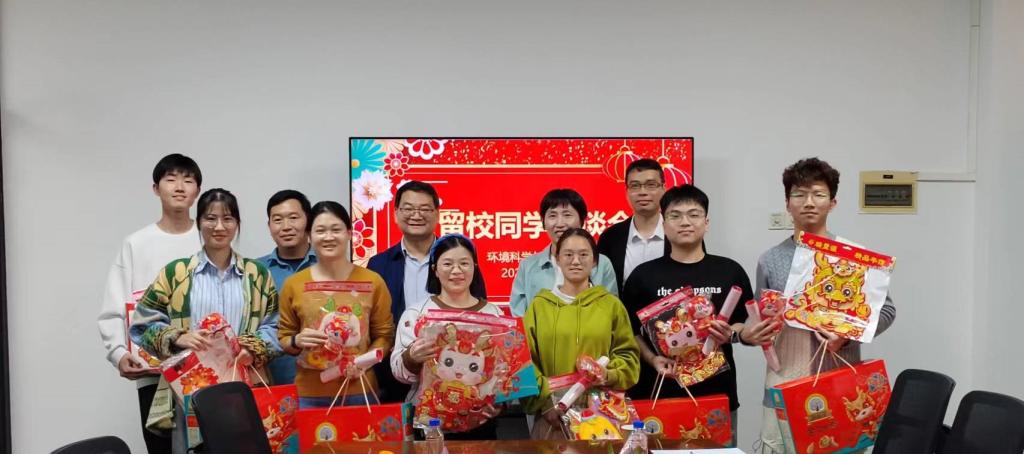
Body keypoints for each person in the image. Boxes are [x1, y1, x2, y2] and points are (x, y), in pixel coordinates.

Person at [743, 158, 896, 453]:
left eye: (818, 194)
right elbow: (761, 316)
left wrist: (846, 335)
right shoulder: (770, 259)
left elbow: (886, 311)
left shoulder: (853, 256)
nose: (809, 202)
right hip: (784, 382)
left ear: (832, 202)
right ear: (788, 204)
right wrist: (754, 332)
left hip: (840, 386)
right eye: (799, 194)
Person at [130, 188, 280, 454]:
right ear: (199, 222)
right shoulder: (176, 273)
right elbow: (142, 324)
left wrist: (252, 348)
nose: (219, 227)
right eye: (210, 218)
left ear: (237, 224)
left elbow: (275, 326)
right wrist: (177, 337)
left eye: (228, 219)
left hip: (242, 386)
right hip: (191, 391)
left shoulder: (257, 274)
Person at [621, 185, 752, 446]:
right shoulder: (643, 275)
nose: (685, 222)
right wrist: (652, 358)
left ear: (706, 222)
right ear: (664, 223)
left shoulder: (730, 270)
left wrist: (732, 333)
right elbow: (629, 331)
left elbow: (744, 321)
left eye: (693, 214)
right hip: (659, 394)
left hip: (716, 393)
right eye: (675, 215)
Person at [97, 153, 202, 454]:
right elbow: (115, 305)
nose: (179, 187)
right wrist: (118, 353)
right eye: (171, 179)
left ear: (197, 190)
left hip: (207, 374)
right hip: (153, 376)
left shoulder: (210, 238)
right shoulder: (136, 243)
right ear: (156, 188)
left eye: (188, 180)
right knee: (161, 449)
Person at [522, 228, 640, 439]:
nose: (575, 261)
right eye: (568, 254)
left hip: (603, 418)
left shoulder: (611, 305)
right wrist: (546, 403)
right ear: (557, 259)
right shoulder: (539, 307)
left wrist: (607, 374)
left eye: (583, 254)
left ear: (594, 261)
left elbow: (628, 357)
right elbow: (525, 362)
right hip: (553, 417)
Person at [277, 201, 395, 407]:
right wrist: (296, 340)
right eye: (320, 231)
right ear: (309, 236)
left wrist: (363, 363)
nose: (329, 237)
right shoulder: (294, 284)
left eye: (336, 230)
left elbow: (385, 336)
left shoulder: (372, 282)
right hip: (309, 395)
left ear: (349, 233)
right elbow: (284, 337)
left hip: (360, 390)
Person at [390, 234, 504, 440]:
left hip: (480, 424)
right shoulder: (418, 313)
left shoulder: (494, 314)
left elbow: (503, 370)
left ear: (475, 267)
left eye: (464, 263)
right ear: (435, 269)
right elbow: (398, 371)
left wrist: (500, 402)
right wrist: (411, 358)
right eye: (448, 264)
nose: (456, 270)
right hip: (429, 424)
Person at [368, 181, 448, 402]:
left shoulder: (455, 259)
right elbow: (372, 323)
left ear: (437, 213)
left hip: (449, 370)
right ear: (395, 213)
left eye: (424, 209)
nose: (416, 215)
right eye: (409, 208)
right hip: (392, 376)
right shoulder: (378, 264)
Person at [510, 189, 618, 317]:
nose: (560, 223)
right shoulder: (528, 266)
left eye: (567, 215)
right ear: (543, 222)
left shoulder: (602, 263)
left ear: (582, 220)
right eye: (552, 216)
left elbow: (612, 310)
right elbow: (519, 316)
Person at [258, 189, 317, 384]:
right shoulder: (256, 271)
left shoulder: (329, 266)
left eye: (293, 218)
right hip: (272, 382)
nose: (286, 227)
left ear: (308, 220)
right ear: (269, 226)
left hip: (324, 381)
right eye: (277, 220)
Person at [597, 158, 670, 294]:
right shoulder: (610, 237)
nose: (643, 192)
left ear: (664, 189)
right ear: (627, 192)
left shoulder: (679, 233)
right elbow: (599, 284)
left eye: (651, 185)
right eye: (635, 186)